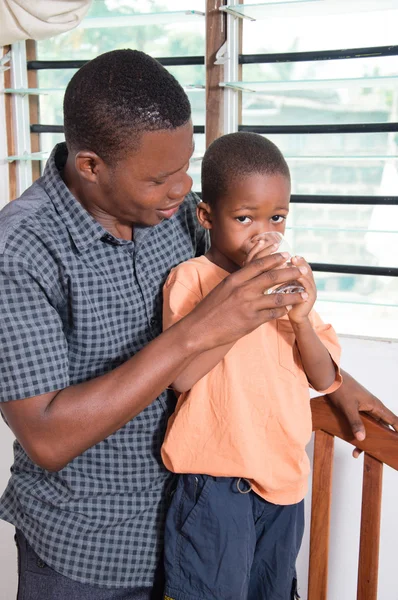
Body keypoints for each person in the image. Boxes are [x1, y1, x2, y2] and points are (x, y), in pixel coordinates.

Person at [0, 50, 395, 600]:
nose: (182, 187)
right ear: (91, 166)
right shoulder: (20, 249)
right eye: (161, 177)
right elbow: (45, 435)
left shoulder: (177, 213)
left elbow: (254, 295)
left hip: (202, 519)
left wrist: (334, 381)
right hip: (91, 553)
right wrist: (198, 330)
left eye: (186, 166)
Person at [161, 132, 343, 600]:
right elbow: (180, 376)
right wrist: (244, 305)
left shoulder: (287, 288)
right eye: (244, 218)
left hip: (283, 484)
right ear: (206, 216)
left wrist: (301, 318)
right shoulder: (193, 280)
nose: (264, 232)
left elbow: (323, 378)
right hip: (215, 488)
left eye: (277, 217)